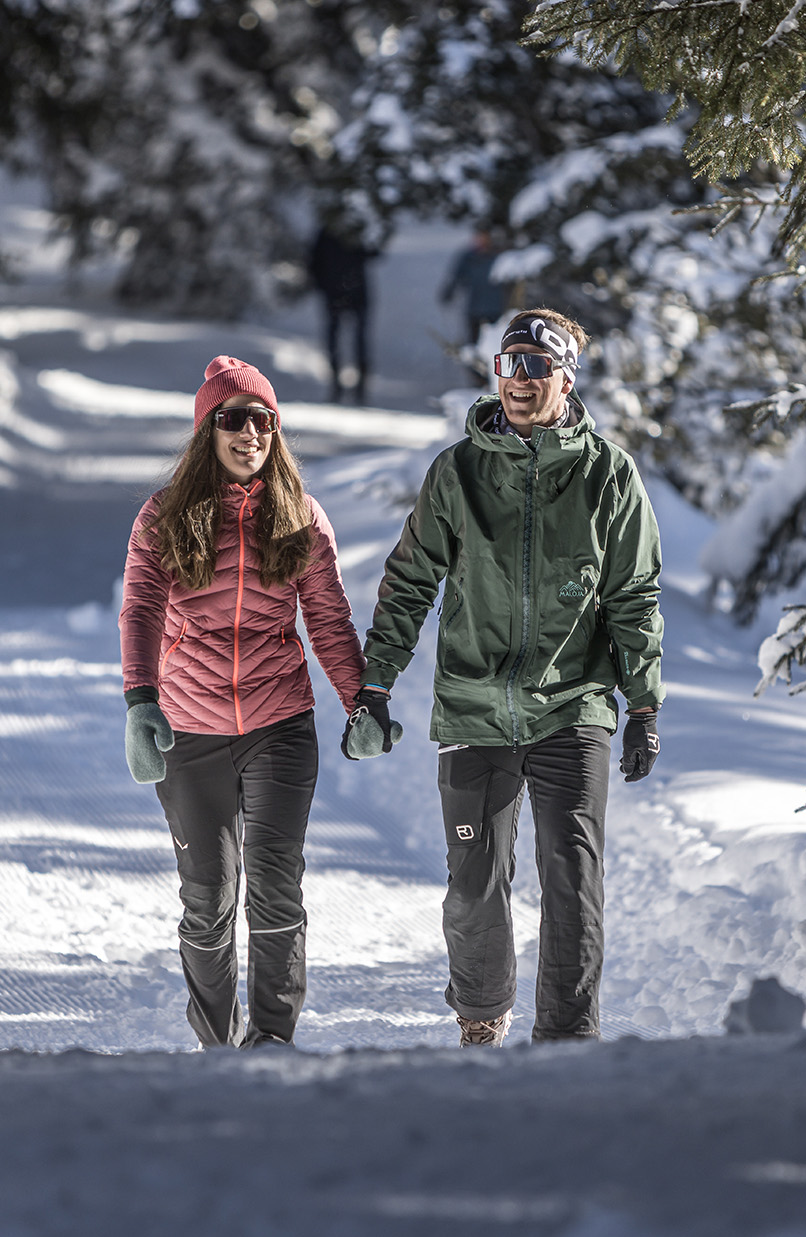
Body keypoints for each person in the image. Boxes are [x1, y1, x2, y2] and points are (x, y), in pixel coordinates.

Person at [346, 309, 665, 1049]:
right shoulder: (458, 473)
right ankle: (482, 1017)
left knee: (572, 879)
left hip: (572, 705)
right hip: (473, 704)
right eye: (506, 365)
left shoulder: (608, 475)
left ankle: (566, 1036)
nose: (517, 382)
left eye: (534, 367)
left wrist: (643, 702)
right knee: (474, 887)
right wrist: (377, 684)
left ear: (565, 378)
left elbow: (633, 595)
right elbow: (408, 582)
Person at [118, 356, 397, 1049]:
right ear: (206, 429)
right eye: (234, 418)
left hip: (279, 723)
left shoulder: (298, 515)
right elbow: (142, 610)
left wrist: (360, 700)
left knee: (275, 885)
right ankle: (218, 1039)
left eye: (264, 419)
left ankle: (272, 1037)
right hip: (191, 728)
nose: (251, 433)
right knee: (208, 897)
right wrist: (141, 699)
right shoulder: (163, 516)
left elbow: (329, 619)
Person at [309, 221, 374, 404]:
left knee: (353, 339)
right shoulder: (331, 231)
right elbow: (314, 262)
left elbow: (373, 252)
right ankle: (339, 384)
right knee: (341, 339)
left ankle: (357, 386)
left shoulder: (352, 229)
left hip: (348, 291)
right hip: (340, 292)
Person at [439, 229, 506, 347]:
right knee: (474, 341)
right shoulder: (468, 257)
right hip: (474, 308)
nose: (481, 241)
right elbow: (457, 276)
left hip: (496, 309)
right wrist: (449, 292)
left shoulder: (500, 257)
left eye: (485, 238)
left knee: (495, 341)